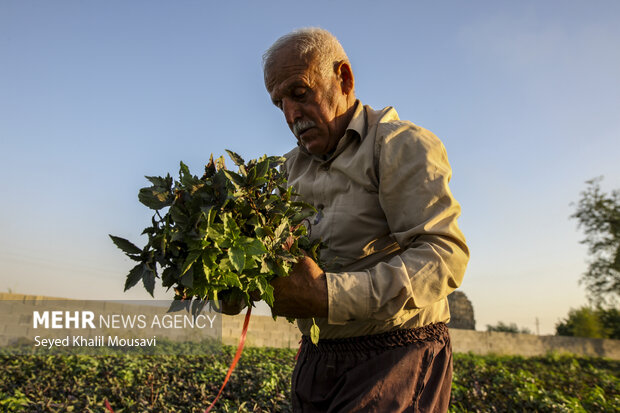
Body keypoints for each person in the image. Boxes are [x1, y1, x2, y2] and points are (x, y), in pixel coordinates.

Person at [233, 27, 469, 412]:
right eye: (279, 104)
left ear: (343, 78)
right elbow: (269, 261)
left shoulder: (398, 145)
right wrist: (236, 285)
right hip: (318, 358)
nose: (291, 114)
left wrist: (327, 294)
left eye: (299, 93)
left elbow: (444, 256)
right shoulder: (285, 171)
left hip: (397, 356)